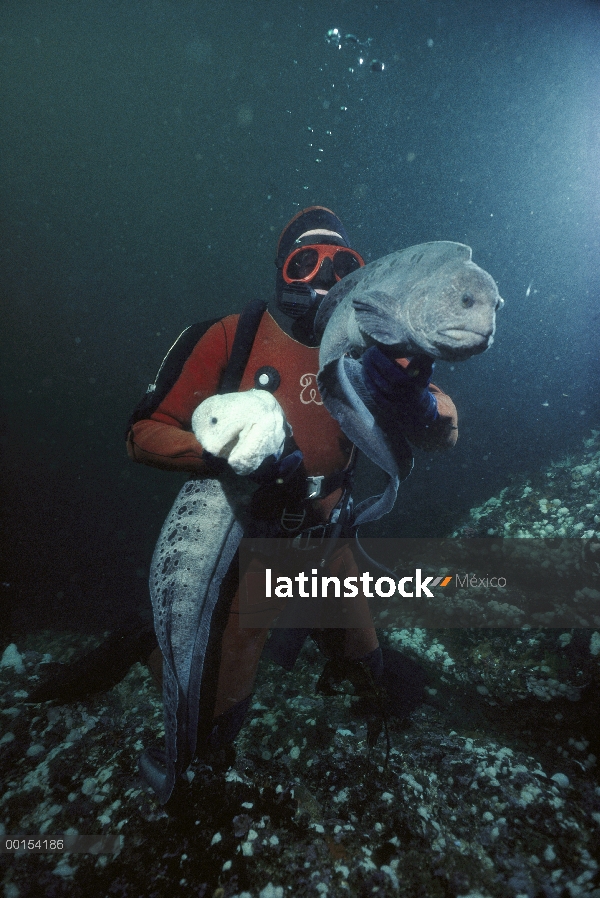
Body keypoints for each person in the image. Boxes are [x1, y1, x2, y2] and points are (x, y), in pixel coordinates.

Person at [124, 207, 458, 775]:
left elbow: (442, 431)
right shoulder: (231, 337)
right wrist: (221, 449)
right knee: (222, 697)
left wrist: (417, 400)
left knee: (364, 658)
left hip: (331, 539)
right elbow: (143, 432)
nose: (325, 276)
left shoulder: (368, 347)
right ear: (284, 272)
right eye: (308, 262)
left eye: (343, 264)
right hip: (255, 536)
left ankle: (360, 686)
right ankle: (154, 661)